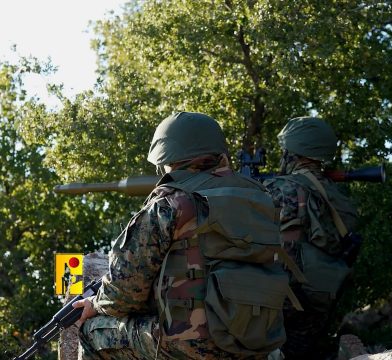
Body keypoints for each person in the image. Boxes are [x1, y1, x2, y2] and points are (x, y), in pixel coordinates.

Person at [72, 111, 292, 359]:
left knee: (91, 332)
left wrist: (95, 304)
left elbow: (123, 296)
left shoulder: (170, 205)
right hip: (254, 341)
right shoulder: (262, 198)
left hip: (192, 345)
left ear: (167, 158)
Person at [264, 117, 360, 360]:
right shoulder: (337, 196)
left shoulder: (281, 188)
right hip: (320, 302)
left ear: (292, 153)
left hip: (280, 305)